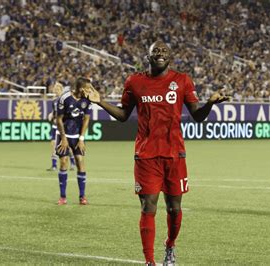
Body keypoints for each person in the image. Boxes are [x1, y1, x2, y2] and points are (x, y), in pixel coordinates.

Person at [83, 40, 229, 265]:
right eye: (156, 51)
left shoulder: (182, 81)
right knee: (147, 206)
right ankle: (149, 261)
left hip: (174, 155)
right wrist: (99, 101)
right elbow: (123, 115)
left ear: (170, 57)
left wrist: (210, 104)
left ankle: (170, 245)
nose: (160, 53)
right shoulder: (135, 81)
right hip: (146, 155)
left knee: (174, 208)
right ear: (148, 56)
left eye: (164, 51)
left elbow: (198, 115)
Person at [55, 77, 92, 206]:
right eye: (87, 88)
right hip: (63, 134)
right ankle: (63, 197)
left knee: (80, 162)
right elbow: (58, 119)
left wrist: (81, 138)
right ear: (81, 88)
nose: (89, 91)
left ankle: (82, 196)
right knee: (64, 162)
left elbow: (86, 119)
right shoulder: (64, 98)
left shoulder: (87, 100)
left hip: (77, 136)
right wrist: (64, 138)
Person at [47, 81, 76, 171]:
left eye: (57, 89)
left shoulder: (65, 100)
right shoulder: (54, 101)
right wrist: (51, 114)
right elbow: (55, 112)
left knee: (66, 146)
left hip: (63, 127)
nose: (55, 90)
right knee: (53, 144)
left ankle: (72, 162)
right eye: (54, 89)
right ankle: (54, 165)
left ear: (61, 90)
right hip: (55, 126)